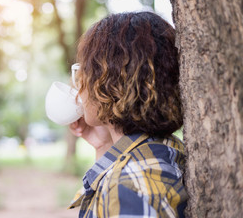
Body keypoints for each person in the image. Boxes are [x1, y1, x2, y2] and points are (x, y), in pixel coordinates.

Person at [68, 12, 187, 217]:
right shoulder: (162, 150)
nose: (78, 83)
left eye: (84, 71)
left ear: (109, 82)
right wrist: (104, 145)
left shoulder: (131, 188)